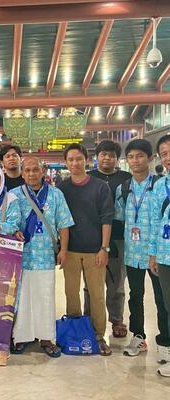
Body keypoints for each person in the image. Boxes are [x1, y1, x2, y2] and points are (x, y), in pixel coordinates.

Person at [11, 157, 74, 357]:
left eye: (35, 170)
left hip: (46, 255)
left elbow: (63, 224)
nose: (31, 174)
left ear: (43, 171)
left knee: (45, 297)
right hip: (22, 256)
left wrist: (63, 250)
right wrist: (13, 231)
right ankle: (22, 337)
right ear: (22, 173)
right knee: (23, 298)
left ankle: (46, 338)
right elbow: (7, 222)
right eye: (27, 170)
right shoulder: (14, 195)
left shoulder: (56, 195)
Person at [114, 139, 169, 359]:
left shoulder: (159, 185)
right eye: (131, 157)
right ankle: (138, 336)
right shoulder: (123, 188)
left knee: (162, 297)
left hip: (158, 253)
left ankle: (165, 340)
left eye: (140, 156)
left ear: (150, 158)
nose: (135, 161)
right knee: (135, 295)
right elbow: (119, 216)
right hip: (132, 252)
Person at [58, 143, 114, 356]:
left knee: (98, 295)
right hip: (71, 251)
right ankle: (75, 332)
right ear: (66, 163)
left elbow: (106, 219)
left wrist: (104, 248)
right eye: (71, 159)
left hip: (94, 251)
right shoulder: (62, 188)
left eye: (79, 159)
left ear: (87, 160)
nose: (75, 163)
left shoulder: (100, 187)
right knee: (71, 293)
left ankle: (99, 336)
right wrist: (61, 249)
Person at [86, 140, 131, 338]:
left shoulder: (126, 178)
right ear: (97, 157)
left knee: (117, 282)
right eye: (103, 154)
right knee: (90, 283)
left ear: (117, 158)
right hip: (92, 238)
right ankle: (89, 319)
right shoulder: (89, 178)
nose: (107, 158)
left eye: (111, 155)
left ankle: (117, 319)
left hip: (119, 237)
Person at [149, 135, 170, 376]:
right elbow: (154, 223)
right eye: (164, 153)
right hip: (165, 256)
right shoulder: (159, 187)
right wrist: (153, 255)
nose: (168, 157)